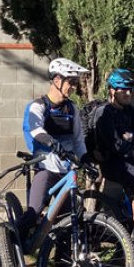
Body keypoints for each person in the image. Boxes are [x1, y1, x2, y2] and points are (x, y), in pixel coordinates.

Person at [20, 58, 89, 233]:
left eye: (75, 83)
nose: (74, 87)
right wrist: (52, 143)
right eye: (71, 82)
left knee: (67, 222)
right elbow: (35, 130)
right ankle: (8, 243)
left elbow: (78, 141)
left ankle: (61, 259)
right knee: (33, 213)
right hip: (45, 169)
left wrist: (86, 160)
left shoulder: (72, 109)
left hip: (66, 173)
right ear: (57, 81)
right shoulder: (38, 106)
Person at [92, 68, 134, 250]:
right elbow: (116, 146)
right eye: (124, 90)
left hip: (127, 161)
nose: (129, 93)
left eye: (130, 90)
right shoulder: (104, 113)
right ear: (112, 90)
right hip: (111, 163)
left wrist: (130, 138)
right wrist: (127, 140)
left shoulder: (129, 110)